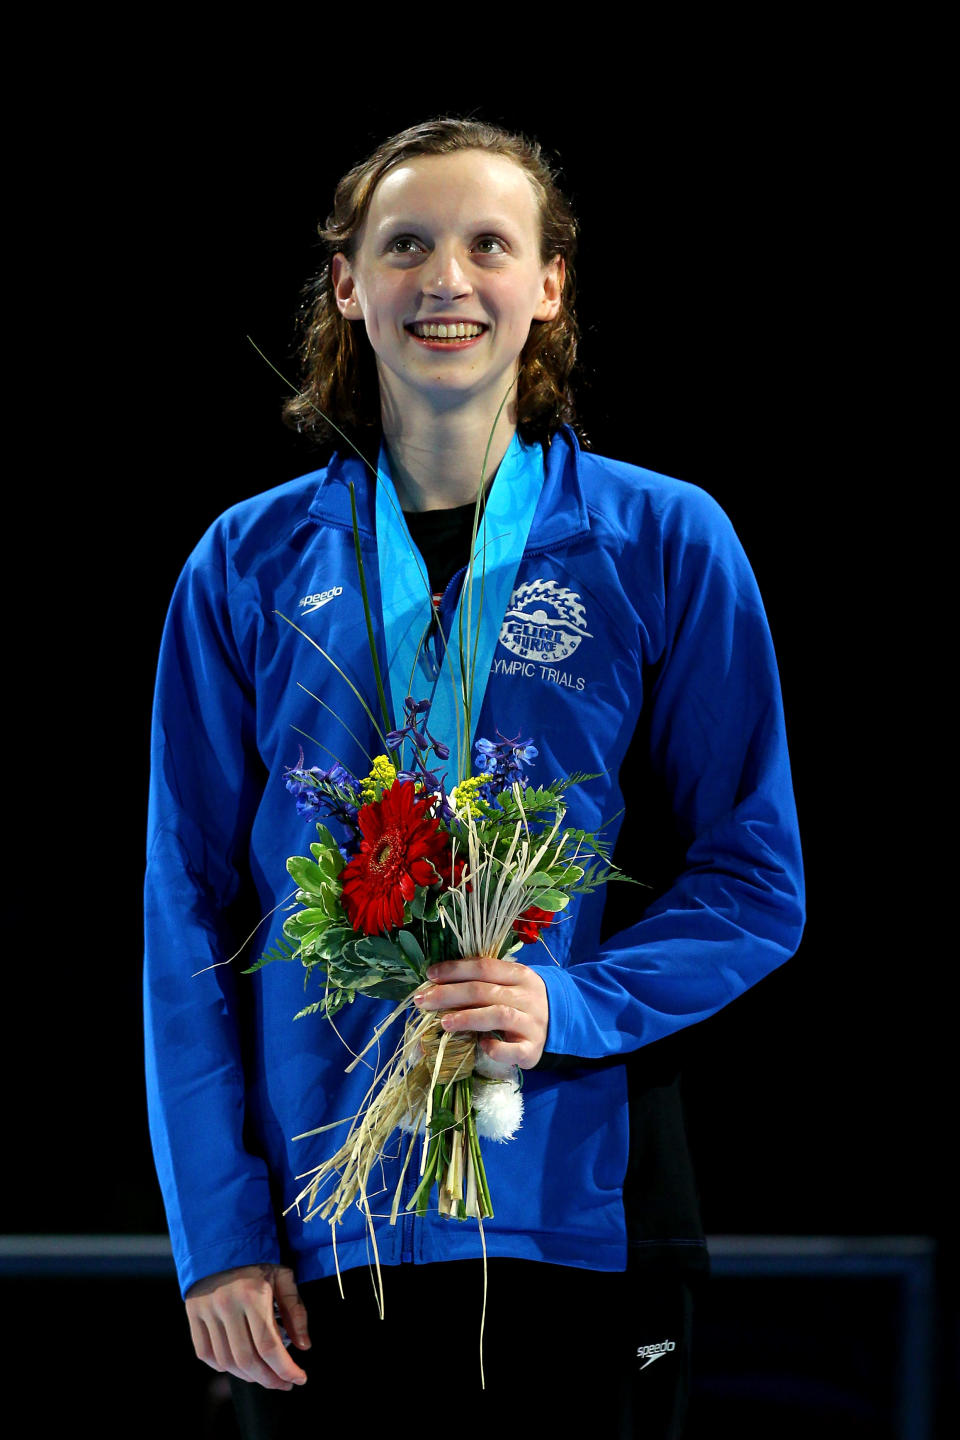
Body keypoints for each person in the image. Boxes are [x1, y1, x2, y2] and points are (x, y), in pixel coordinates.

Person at [144, 117, 805, 1438]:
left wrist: (569, 1004)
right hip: (324, 1229)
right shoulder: (246, 564)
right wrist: (217, 1232)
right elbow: (187, 911)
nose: (447, 279)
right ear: (347, 285)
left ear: (549, 284)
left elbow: (753, 879)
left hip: (583, 1209)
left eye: (488, 244)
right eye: (405, 246)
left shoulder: (666, 538)